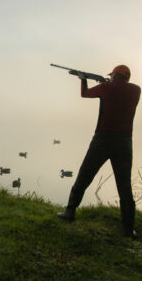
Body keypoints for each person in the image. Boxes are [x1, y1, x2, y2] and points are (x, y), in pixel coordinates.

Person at [57, 65, 141, 238]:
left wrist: (83, 80)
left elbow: (85, 94)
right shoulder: (136, 90)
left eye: (111, 76)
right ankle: (127, 229)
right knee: (124, 185)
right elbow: (118, 91)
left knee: (85, 175)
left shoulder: (106, 87)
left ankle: (70, 212)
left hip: (102, 139)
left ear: (114, 75)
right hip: (125, 142)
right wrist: (107, 82)